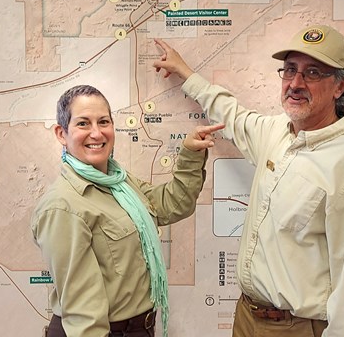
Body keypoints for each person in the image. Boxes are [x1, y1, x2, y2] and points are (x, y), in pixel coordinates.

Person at [153, 25, 344, 337]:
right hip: (247, 318)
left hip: (297, 329)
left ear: (340, 86)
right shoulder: (278, 132)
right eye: (290, 70)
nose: (295, 83)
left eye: (313, 73)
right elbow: (232, 115)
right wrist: (185, 72)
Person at [31, 84, 224, 337]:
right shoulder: (63, 207)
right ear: (61, 132)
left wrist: (190, 154)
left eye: (103, 122)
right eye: (83, 124)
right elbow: (83, 314)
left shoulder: (119, 182)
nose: (97, 133)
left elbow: (171, 204)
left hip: (138, 329)